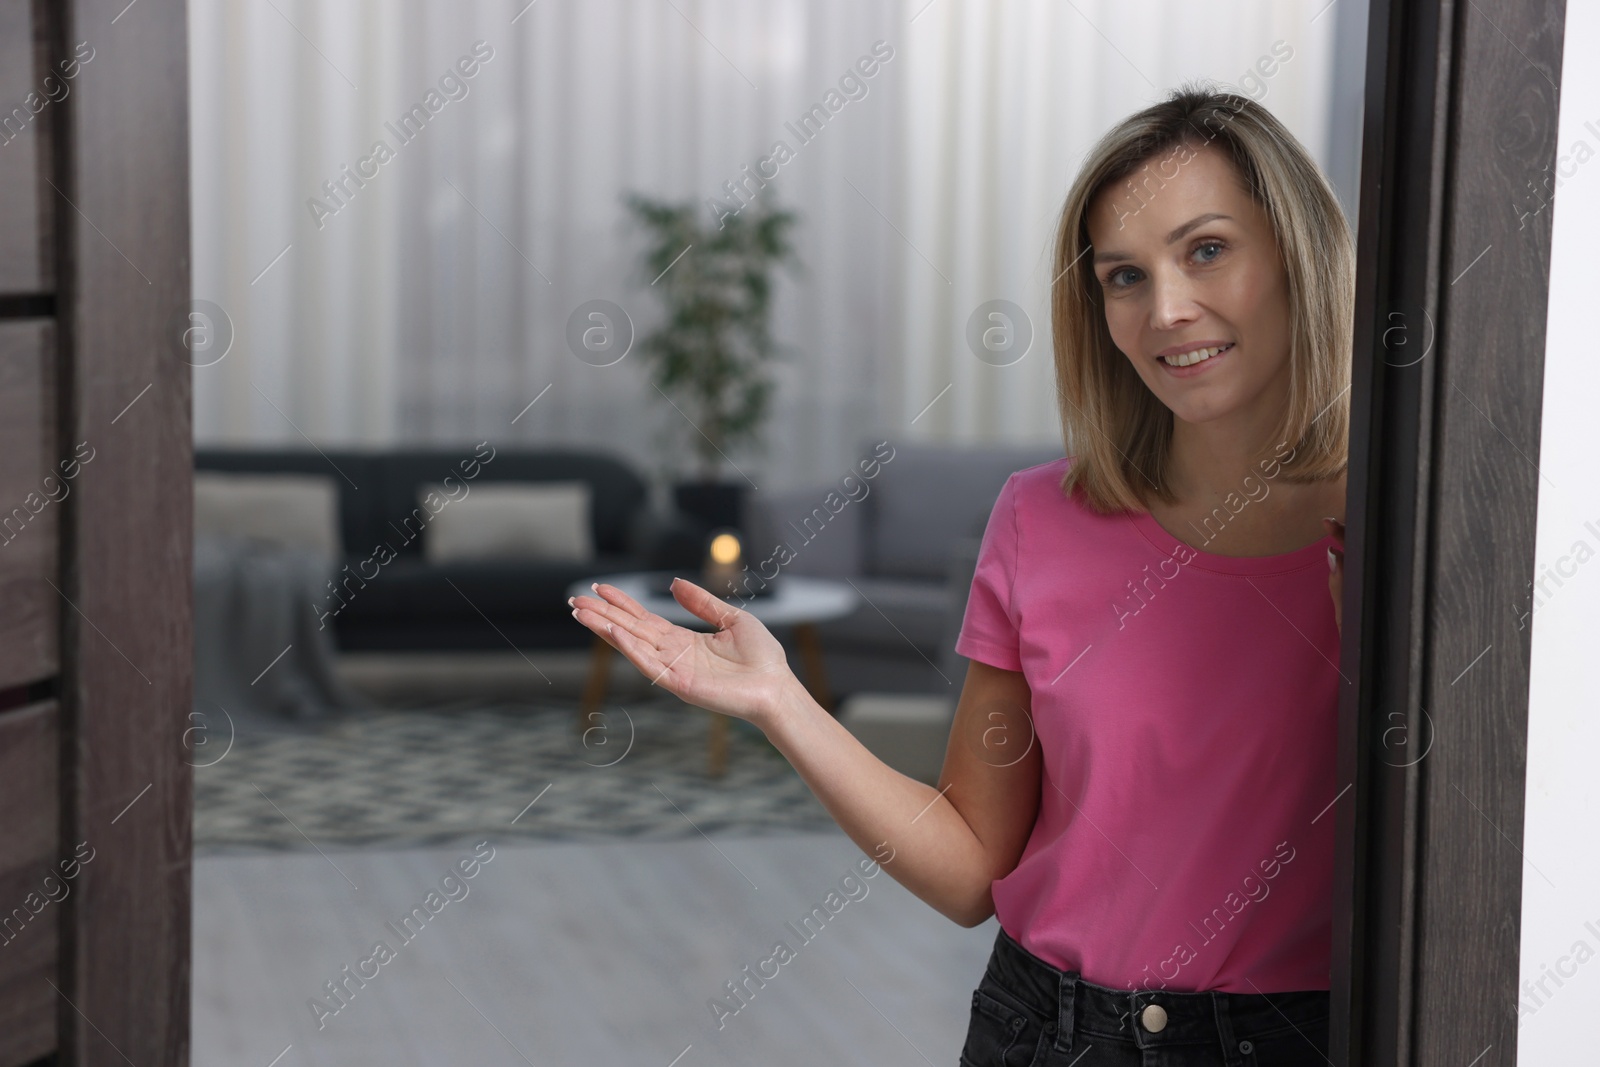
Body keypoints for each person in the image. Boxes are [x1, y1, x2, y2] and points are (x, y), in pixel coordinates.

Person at [569, 82, 1351, 1066]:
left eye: (1205, 250)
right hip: (1045, 1032)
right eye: (1121, 275)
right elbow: (971, 866)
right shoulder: (1041, 518)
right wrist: (782, 700)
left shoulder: (1393, 531)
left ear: (1295, 251)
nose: (1165, 309)